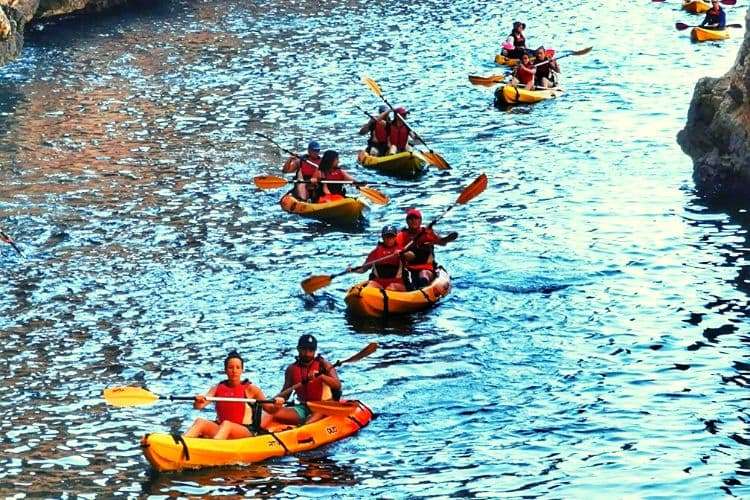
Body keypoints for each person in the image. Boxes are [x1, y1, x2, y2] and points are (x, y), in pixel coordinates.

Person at [183, 351, 278, 439]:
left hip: (246, 432)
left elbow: (271, 410)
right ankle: (181, 443)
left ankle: (214, 448)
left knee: (227, 424)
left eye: (238, 367)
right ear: (225, 370)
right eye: (230, 367)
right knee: (200, 422)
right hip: (222, 429)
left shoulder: (251, 389)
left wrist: (278, 404)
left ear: (242, 370)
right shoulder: (217, 388)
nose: (234, 371)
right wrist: (198, 401)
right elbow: (199, 406)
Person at [269, 335, 342, 425]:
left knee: (309, 422)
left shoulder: (324, 365)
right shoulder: (291, 369)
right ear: (298, 349)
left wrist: (321, 376)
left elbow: (337, 385)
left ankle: (306, 425)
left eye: (311, 350)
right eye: (304, 349)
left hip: (324, 406)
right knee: (271, 413)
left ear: (315, 351)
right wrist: (272, 404)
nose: (307, 353)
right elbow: (286, 393)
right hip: (303, 407)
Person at [396, 209, 457, 290]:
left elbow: (442, 243)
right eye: (410, 219)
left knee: (423, 275)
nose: (413, 221)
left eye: (416, 218)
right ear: (407, 221)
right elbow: (393, 248)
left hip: (426, 268)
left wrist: (446, 239)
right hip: (409, 269)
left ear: (420, 221)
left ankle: (422, 291)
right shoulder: (401, 235)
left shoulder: (427, 233)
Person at [350, 225, 407, 291]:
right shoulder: (375, 252)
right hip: (378, 282)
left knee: (390, 287)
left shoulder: (401, 250)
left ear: (395, 237)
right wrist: (352, 270)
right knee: (369, 287)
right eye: (386, 237)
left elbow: (411, 257)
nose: (389, 239)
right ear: (382, 237)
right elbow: (363, 269)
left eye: (391, 237)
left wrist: (403, 254)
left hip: (397, 282)